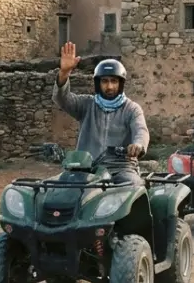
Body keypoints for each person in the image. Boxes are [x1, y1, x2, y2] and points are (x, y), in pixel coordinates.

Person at [52, 42, 150, 186]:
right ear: (98, 83)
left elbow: (141, 130)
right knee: (60, 190)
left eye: (114, 81)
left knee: (133, 187)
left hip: (121, 168)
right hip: (86, 168)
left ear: (121, 83)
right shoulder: (86, 104)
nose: (109, 86)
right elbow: (62, 99)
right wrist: (64, 73)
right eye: (104, 81)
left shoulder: (132, 109)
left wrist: (138, 145)